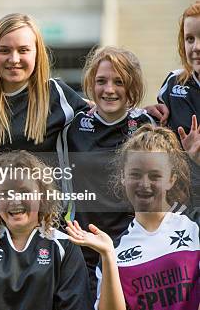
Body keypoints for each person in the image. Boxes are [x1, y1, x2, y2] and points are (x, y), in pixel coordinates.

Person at [66, 125, 199, 310]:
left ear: (171, 179)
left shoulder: (195, 227)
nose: (144, 184)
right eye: (135, 174)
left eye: (155, 176)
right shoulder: (115, 250)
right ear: (123, 177)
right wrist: (108, 255)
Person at [57, 46, 155, 296]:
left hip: (133, 245)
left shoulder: (148, 125)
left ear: (132, 85)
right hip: (84, 246)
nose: (109, 89)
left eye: (119, 82)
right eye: (101, 81)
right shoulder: (73, 126)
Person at [0, 151, 93, 310]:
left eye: (24, 192)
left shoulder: (64, 246)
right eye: (5, 193)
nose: (15, 200)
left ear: (42, 196)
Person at [0, 13, 88, 155]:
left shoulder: (57, 94)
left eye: (23, 50)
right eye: (4, 50)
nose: (14, 59)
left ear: (37, 53)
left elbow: (101, 128)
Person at [158, 0, 200, 205]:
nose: (196, 47)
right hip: (183, 205)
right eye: (189, 39)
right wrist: (152, 112)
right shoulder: (173, 83)